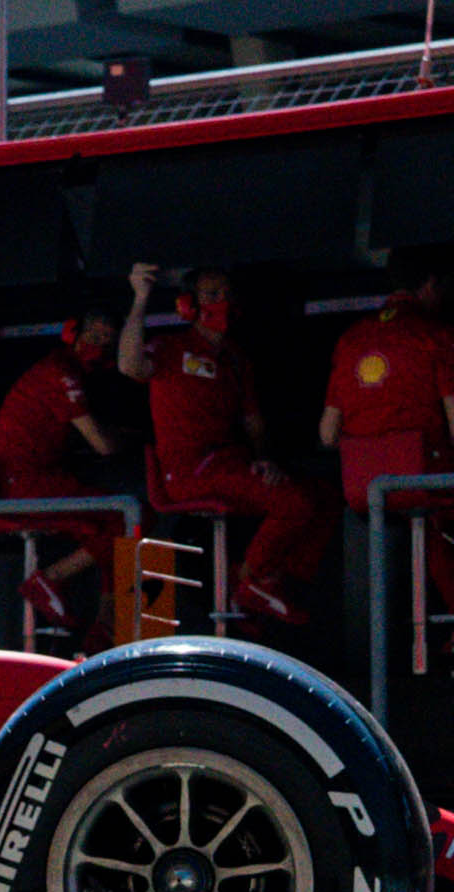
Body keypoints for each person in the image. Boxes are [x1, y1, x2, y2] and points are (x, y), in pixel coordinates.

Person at [121, 266, 327, 626]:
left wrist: (265, 460)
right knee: (296, 502)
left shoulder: (235, 358)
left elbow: (254, 423)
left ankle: (263, 583)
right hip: (191, 472)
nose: (223, 302)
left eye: (227, 294)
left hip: (230, 463)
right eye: (212, 294)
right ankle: (248, 584)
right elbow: (129, 365)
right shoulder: (171, 346)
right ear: (187, 305)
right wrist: (140, 298)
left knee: (321, 496)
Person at [321, 272, 454, 646]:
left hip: (365, 487)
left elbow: (327, 435)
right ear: (430, 284)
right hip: (425, 477)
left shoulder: (350, 339)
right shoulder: (437, 333)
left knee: (431, 522)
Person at [0, 301, 131, 642]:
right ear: (72, 334)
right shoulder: (60, 371)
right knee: (131, 516)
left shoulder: (72, 372)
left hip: (36, 479)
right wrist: (123, 439)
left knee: (112, 524)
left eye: (107, 340)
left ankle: (106, 622)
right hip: (21, 485)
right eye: (93, 335)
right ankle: (49, 579)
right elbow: (103, 445)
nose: (98, 345)